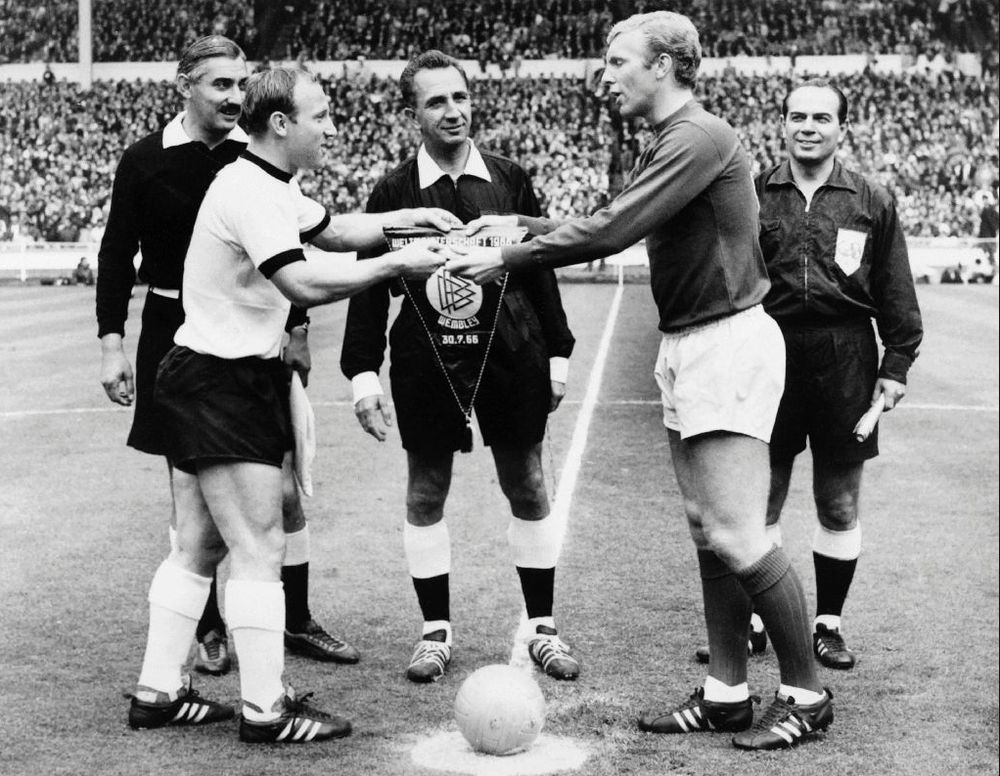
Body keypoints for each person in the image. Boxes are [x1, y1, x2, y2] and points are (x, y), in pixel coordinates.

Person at [448, 11, 834, 751]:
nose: (605, 73)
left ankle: (806, 693)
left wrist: (509, 255)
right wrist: (519, 226)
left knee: (738, 531)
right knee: (706, 529)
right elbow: (605, 218)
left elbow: (614, 229)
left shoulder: (697, 136)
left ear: (663, 65)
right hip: (690, 341)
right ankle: (726, 692)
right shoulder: (671, 140)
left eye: (617, 59)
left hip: (725, 341)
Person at [127, 65, 459, 743]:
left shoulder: (270, 182)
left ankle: (158, 692)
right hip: (223, 380)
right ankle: (264, 710)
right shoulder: (249, 190)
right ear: (281, 124)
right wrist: (401, 264)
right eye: (322, 116)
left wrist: (407, 219)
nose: (332, 126)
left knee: (199, 545)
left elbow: (334, 231)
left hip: (207, 374)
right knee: (258, 545)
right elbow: (303, 281)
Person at [96, 36, 359, 675]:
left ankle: (291, 621)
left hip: (256, 332)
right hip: (178, 332)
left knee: (283, 494)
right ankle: (212, 632)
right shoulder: (146, 160)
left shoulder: (257, 160)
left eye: (242, 85)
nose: (234, 97)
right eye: (220, 85)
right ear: (184, 84)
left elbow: (288, 248)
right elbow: (115, 255)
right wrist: (113, 345)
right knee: (194, 497)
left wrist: (296, 329)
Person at [340, 51, 579, 684]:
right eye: (436, 101)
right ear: (411, 113)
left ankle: (542, 628)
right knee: (425, 491)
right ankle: (435, 631)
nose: (454, 111)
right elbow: (369, 286)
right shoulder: (393, 193)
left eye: (460, 97)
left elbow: (541, 265)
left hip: (511, 353)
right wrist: (363, 373)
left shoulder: (508, 179)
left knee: (527, 483)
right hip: (426, 361)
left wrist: (558, 352)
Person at [753, 80, 922, 669]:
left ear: (841, 129)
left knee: (839, 503)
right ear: (781, 123)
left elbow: (896, 287)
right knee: (760, 498)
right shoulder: (753, 193)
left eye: (821, 118)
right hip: (769, 352)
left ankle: (828, 622)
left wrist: (896, 362)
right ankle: (756, 620)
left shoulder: (871, 199)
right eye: (797, 115)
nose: (808, 126)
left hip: (846, 355)